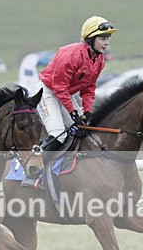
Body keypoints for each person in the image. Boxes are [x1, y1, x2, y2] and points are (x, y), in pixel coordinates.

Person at [37, 15, 118, 152]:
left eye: (107, 39)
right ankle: (32, 168)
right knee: (58, 134)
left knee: (81, 132)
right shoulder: (71, 55)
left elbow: (89, 89)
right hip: (47, 92)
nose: (106, 43)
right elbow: (59, 88)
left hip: (65, 95)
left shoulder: (99, 61)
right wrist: (74, 114)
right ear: (91, 39)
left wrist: (87, 111)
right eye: (103, 39)